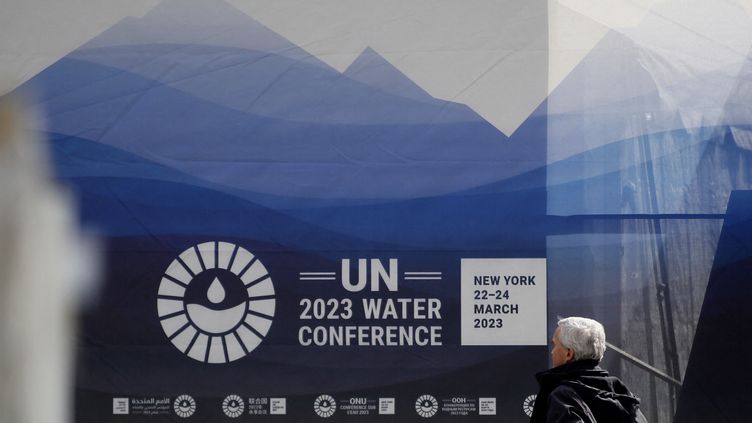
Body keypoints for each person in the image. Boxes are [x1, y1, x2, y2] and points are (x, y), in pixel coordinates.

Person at [530, 317, 648, 422]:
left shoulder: (563, 397)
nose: (552, 351)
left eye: (555, 345)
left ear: (569, 354)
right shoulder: (623, 395)